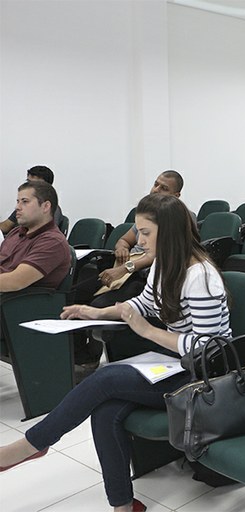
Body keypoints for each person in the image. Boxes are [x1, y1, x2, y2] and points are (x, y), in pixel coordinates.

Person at [0, 193, 231, 512]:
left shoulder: (200, 276)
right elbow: (146, 303)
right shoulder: (165, 264)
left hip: (205, 373)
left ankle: (32, 444)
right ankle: (123, 505)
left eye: (146, 233)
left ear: (170, 231)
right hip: (176, 362)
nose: (140, 241)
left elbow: (207, 347)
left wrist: (148, 331)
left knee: (106, 378)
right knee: (105, 411)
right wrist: (98, 312)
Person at [72, 170, 191, 373]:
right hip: (127, 269)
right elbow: (125, 239)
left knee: (99, 304)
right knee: (74, 295)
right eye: (156, 184)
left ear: (176, 196)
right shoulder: (147, 215)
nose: (157, 189)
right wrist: (122, 248)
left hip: (143, 275)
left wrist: (124, 268)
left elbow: (161, 254)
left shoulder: (179, 219)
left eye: (164, 188)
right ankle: (82, 355)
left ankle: (100, 354)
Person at [0, 181, 71, 292]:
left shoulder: (53, 242)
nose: (17, 207)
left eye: (25, 202)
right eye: (18, 202)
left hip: (16, 303)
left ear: (46, 206)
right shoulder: (16, 232)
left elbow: (15, 282)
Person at [0, 165, 64, 235]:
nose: (29, 186)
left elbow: (45, 234)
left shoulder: (52, 210)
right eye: (28, 182)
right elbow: (6, 226)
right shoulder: (23, 205)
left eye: (35, 184)